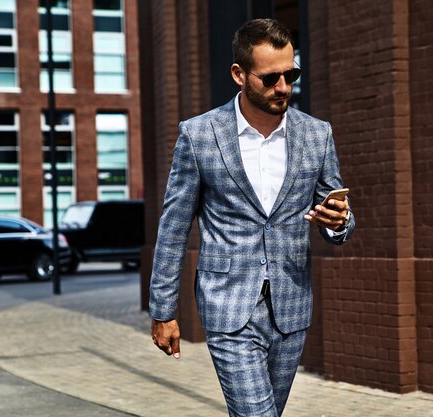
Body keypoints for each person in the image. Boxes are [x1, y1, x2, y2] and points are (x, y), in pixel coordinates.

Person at [149, 18, 355, 417]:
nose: (283, 87)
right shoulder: (199, 135)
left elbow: (338, 216)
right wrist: (163, 311)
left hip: (291, 306)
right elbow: (173, 228)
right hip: (228, 307)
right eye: (271, 78)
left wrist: (339, 221)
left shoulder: (317, 135)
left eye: (291, 74)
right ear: (239, 74)